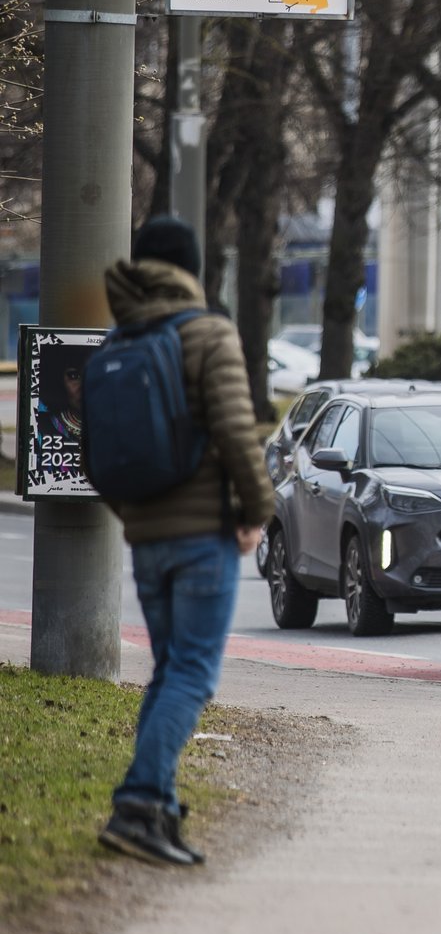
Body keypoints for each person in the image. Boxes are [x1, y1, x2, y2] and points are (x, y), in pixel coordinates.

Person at [97, 217, 276, 867]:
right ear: (191, 269)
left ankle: (160, 812)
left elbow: (97, 453)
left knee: (169, 670)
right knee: (193, 673)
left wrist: (136, 514)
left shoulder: (120, 338)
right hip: (205, 539)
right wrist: (256, 511)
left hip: (147, 542)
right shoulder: (208, 333)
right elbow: (237, 431)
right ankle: (139, 801)